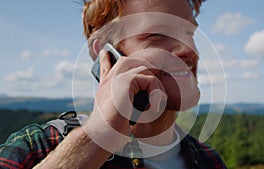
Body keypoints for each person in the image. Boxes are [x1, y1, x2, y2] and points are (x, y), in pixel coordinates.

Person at [0, 0, 228, 168]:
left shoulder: (208, 158)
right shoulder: (36, 147)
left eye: (189, 32)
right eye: (158, 34)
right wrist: (98, 137)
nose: (189, 50)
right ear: (107, 55)